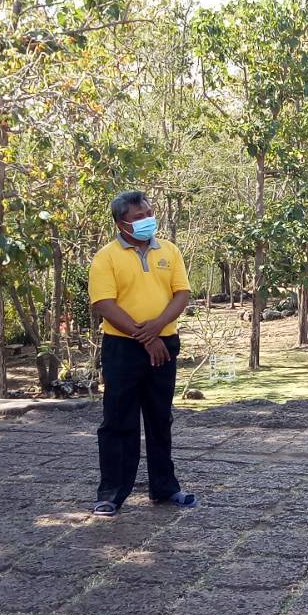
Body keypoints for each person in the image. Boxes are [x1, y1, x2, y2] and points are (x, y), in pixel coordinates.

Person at [88, 190, 197, 517]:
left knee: (160, 417)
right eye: (138, 217)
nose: (148, 220)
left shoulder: (170, 251)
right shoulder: (105, 258)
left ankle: (165, 488)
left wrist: (158, 328)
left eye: (149, 213)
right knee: (118, 420)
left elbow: (181, 293)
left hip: (165, 345)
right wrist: (144, 335)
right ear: (121, 223)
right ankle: (111, 493)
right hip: (123, 348)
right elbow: (104, 304)